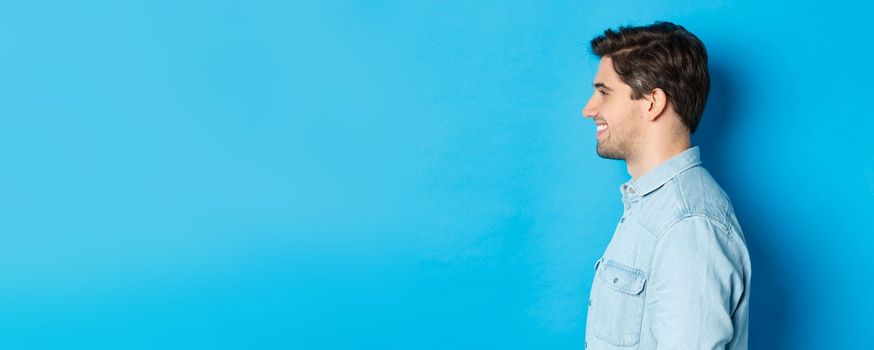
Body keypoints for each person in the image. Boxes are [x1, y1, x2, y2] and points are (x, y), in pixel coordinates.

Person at [581, 21, 751, 349]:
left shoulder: (688, 225)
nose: (588, 109)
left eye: (604, 92)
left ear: (652, 102)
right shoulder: (651, 208)